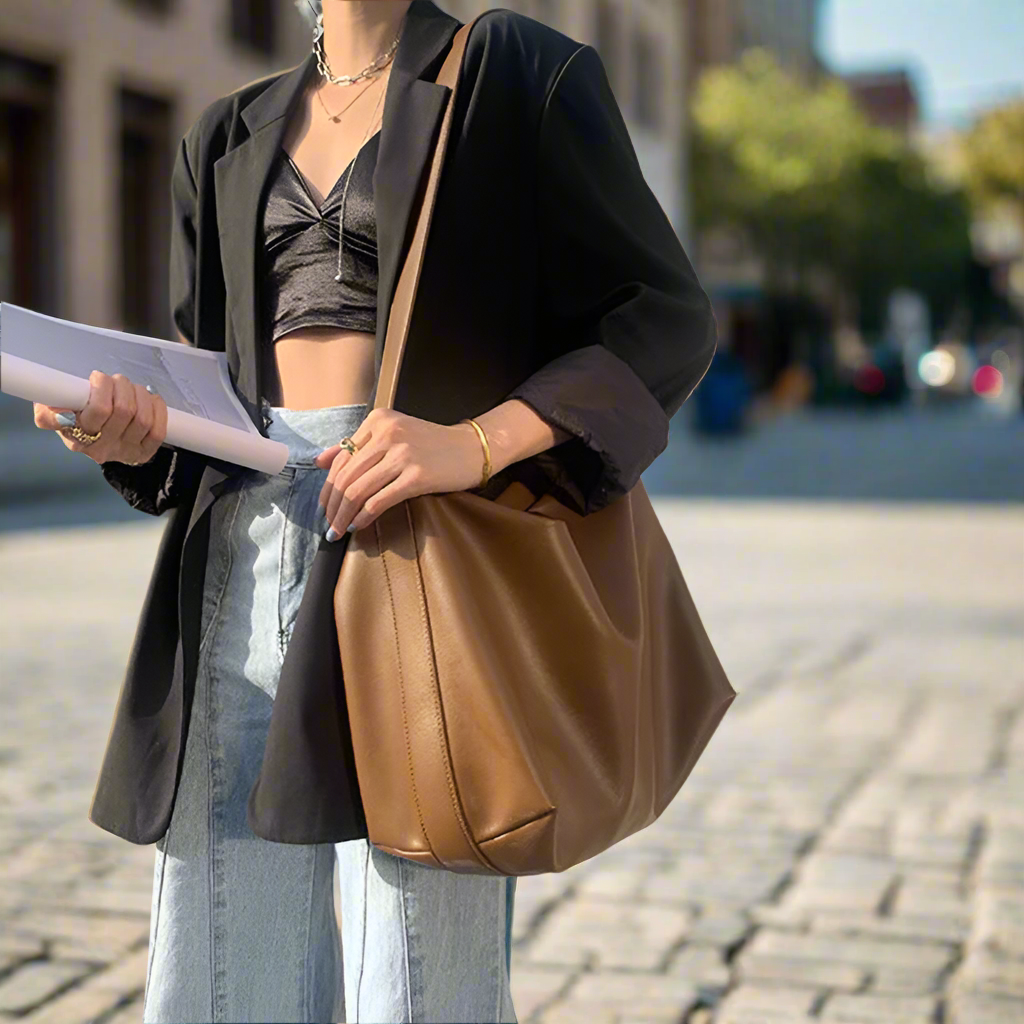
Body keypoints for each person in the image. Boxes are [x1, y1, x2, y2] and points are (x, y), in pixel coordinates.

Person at [32, 1, 718, 1021]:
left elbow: (662, 317)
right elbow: (208, 388)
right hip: (239, 554)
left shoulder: (512, 72)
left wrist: (469, 442)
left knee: (419, 972)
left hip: (425, 551)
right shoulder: (224, 133)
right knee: (227, 966)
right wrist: (126, 430)